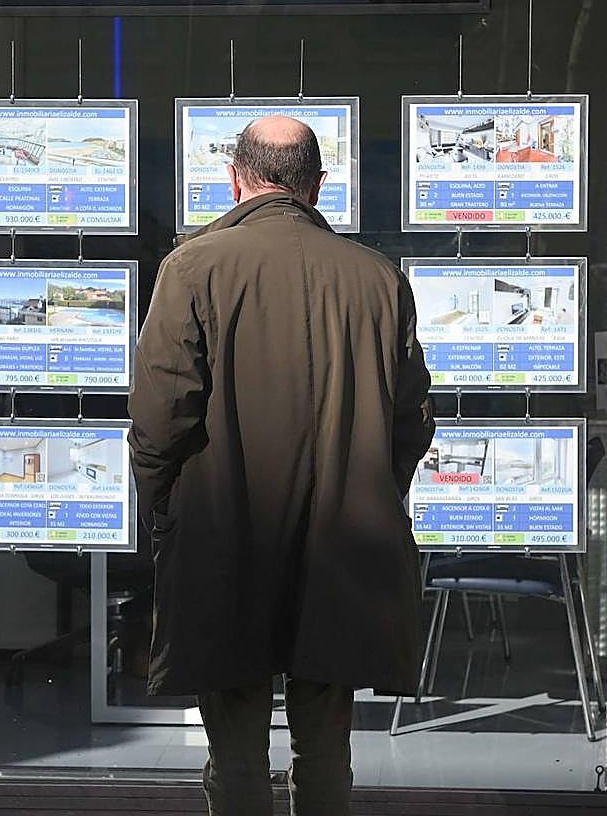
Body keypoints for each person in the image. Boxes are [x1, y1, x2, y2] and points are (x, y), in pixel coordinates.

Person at [128, 116, 435, 816]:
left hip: (223, 538)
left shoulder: (193, 268)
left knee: (233, 749)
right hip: (342, 544)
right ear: (317, 186)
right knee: (325, 745)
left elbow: (160, 417)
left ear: (234, 179)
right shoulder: (378, 278)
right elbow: (412, 419)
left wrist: (166, 507)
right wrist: (371, 489)